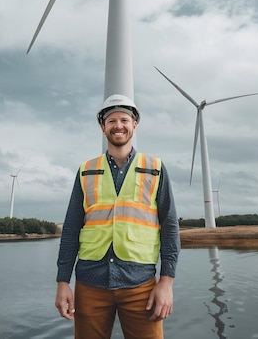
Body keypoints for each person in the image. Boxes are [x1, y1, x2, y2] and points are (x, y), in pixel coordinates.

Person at [55, 93, 180, 339]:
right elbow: (71, 229)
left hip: (141, 284)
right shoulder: (86, 170)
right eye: (111, 121)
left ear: (135, 125)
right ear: (103, 127)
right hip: (90, 283)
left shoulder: (154, 168)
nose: (118, 125)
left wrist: (166, 283)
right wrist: (62, 282)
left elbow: (170, 228)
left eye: (124, 119)